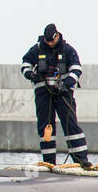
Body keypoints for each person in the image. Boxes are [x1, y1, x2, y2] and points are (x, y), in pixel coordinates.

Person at [21, 23, 91, 166]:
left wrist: (67, 84)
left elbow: (76, 68)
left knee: (70, 125)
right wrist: (31, 75)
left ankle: (81, 160)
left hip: (63, 93)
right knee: (46, 127)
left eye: (52, 41)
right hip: (43, 93)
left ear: (57, 36)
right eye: (48, 42)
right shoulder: (37, 49)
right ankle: (49, 162)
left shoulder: (67, 50)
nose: (50, 44)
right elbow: (25, 64)